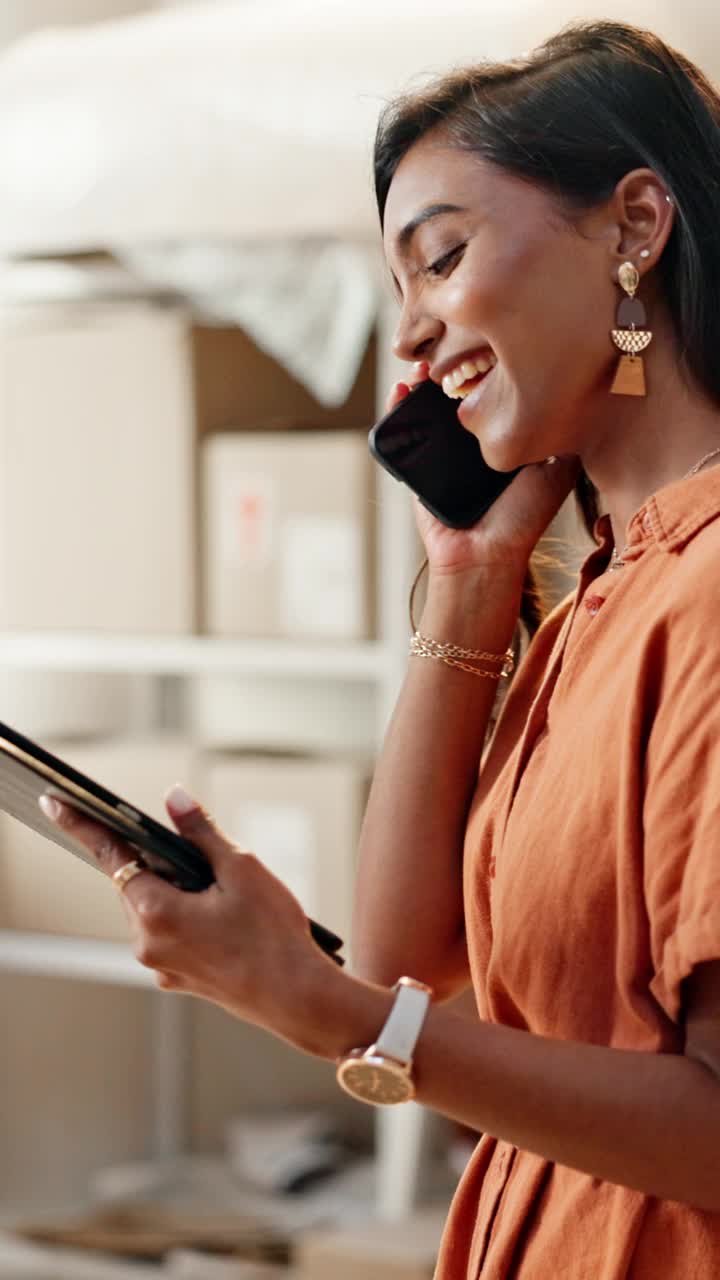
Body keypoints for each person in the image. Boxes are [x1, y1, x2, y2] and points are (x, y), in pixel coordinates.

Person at [39, 18, 720, 1277]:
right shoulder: (605, 590)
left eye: (441, 260)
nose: (408, 339)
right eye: (398, 290)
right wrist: (470, 575)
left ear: (635, 226)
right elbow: (413, 952)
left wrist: (332, 1012)